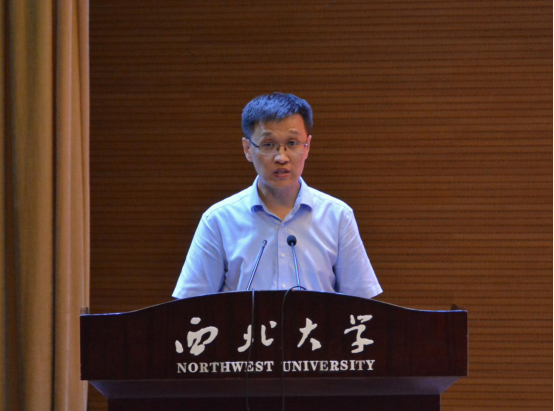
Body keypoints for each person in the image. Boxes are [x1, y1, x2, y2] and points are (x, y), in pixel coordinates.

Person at [173, 93, 382, 299]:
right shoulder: (218, 220)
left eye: (292, 143)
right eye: (268, 145)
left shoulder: (338, 216)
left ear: (307, 146)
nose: (281, 157)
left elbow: (361, 306)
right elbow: (190, 307)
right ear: (247, 149)